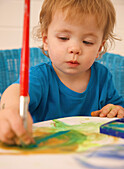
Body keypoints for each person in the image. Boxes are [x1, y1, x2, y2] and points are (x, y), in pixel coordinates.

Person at [0, 0, 124, 146]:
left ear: (99, 48)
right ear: (46, 41)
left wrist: (114, 110)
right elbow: (16, 92)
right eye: (63, 38)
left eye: (88, 41)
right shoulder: (40, 77)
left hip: (89, 151)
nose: (75, 48)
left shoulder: (102, 77)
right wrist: (10, 109)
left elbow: (117, 108)